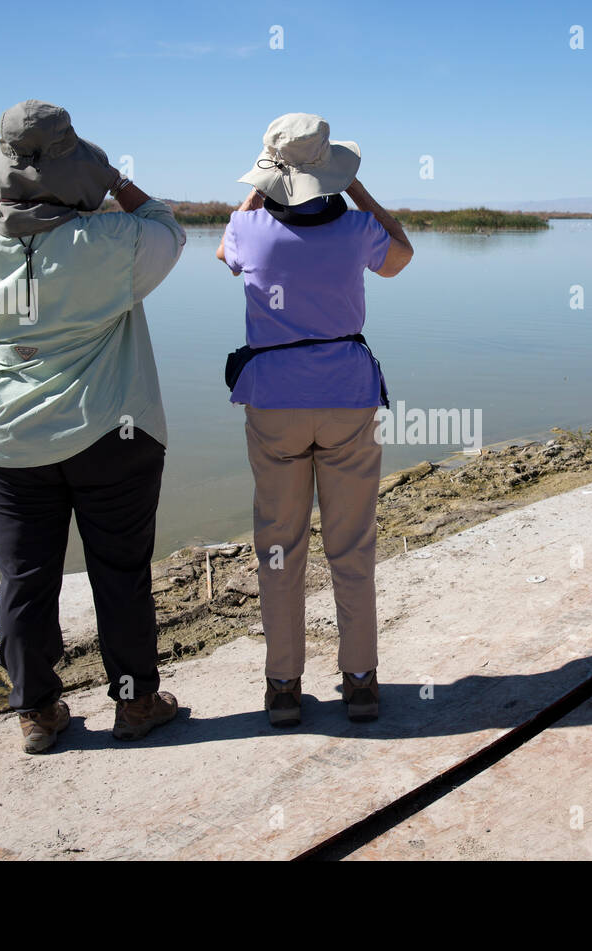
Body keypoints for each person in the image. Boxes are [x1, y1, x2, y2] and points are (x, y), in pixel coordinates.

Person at [0, 100, 186, 754]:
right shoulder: (113, 243)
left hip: (6, 440)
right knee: (120, 570)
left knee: (25, 576)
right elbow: (167, 226)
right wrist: (109, 178)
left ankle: (37, 713)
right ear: (80, 170)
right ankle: (135, 704)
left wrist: (4, 193)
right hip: (113, 433)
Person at [216, 113, 413, 727]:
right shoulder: (356, 230)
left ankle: (282, 687)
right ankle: (359, 682)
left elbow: (225, 251)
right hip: (346, 395)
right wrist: (355, 186)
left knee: (278, 547)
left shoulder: (250, 230)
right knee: (351, 545)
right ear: (331, 173)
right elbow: (401, 254)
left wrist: (261, 186)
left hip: (273, 398)